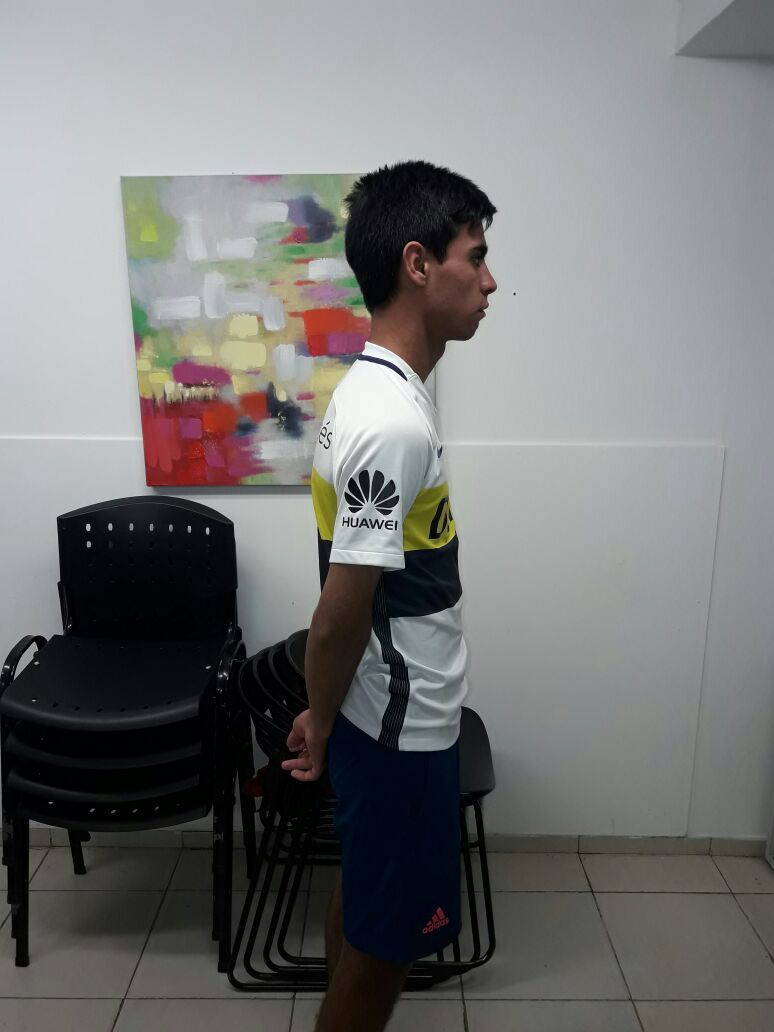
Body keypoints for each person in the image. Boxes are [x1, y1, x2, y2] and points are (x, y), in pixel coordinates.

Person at [281, 159, 497, 1032]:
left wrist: (329, 708)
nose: (490, 282)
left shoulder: (380, 390)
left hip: (385, 710)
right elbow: (341, 610)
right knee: (385, 956)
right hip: (402, 724)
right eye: (475, 257)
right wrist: (321, 714)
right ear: (418, 263)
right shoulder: (391, 420)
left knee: (368, 905)